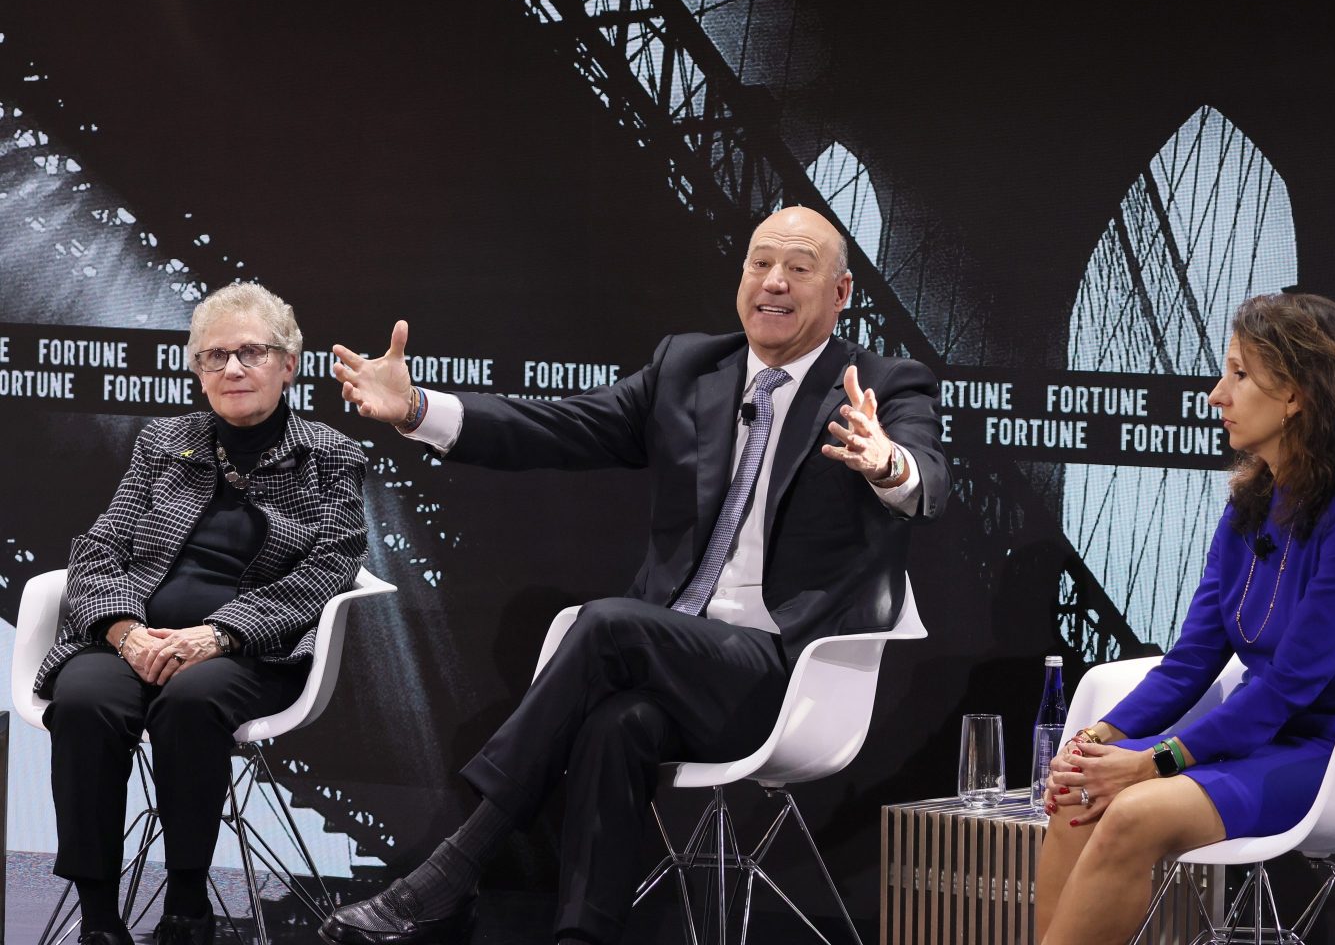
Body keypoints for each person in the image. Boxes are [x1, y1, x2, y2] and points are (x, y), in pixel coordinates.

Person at [320, 206, 949, 945]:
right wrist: (419, 409)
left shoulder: (881, 384)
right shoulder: (690, 367)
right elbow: (558, 426)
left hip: (782, 675)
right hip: (673, 661)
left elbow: (928, 481)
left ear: (840, 293)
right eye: (759, 264)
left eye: (799, 269)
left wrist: (886, 464)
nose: (773, 282)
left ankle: (455, 865)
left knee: (610, 624)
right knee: (620, 724)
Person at [1034, 292, 1335, 945]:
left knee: (1133, 813)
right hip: (1260, 740)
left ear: (1296, 396)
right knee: (1078, 795)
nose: (1218, 395)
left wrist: (1150, 764)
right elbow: (1193, 659)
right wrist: (1101, 741)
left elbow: (1289, 688)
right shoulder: (1251, 503)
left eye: (1239, 374)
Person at [38, 283, 369, 945]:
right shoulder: (164, 441)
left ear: (288, 363)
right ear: (197, 370)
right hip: (136, 639)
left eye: (250, 352)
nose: (232, 369)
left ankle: (188, 903)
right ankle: (99, 918)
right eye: (214, 356)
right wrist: (127, 635)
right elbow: (99, 549)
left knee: (191, 703)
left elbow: (329, 569)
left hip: (255, 653)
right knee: (79, 700)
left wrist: (219, 634)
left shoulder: (330, 456)